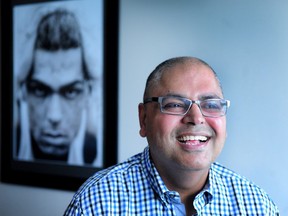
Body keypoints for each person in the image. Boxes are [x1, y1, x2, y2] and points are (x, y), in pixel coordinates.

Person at [64, 56, 279, 215]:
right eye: (175, 104)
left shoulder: (257, 205)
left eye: (211, 104)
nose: (196, 118)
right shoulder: (96, 204)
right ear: (144, 119)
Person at [15, 9, 97, 165]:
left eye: (71, 92)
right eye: (39, 90)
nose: (54, 116)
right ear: (23, 90)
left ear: (88, 92)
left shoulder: (97, 153)